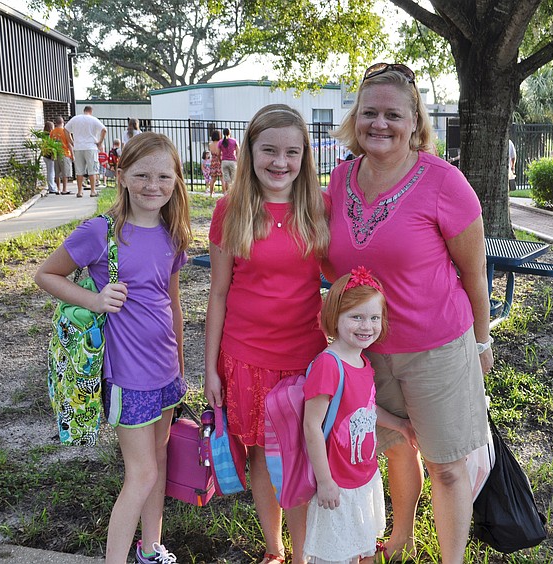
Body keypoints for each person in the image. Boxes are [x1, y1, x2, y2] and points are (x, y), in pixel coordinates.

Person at [326, 62, 492, 563]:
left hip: (436, 349)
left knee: (445, 465)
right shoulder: (338, 179)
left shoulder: (445, 182)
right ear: (356, 119)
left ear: (415, 121)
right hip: (366, 352)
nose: (380, 124)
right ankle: (400, 537)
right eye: (369, 112)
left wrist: (482, 342)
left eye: (393, 114)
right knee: (395, 448)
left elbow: (474, 272)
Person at [34, 132, 192, 564]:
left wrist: (180, 367)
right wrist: (94, 299)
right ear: (120, 176)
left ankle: (151, 548)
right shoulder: (101, 231)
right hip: (128, 377)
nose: (152, 185)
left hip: (165, 375)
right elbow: (47, 274)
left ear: (176, 180)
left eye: (163, 176)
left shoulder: (171, 233)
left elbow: (173, 302)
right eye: (141, 175)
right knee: (140, 475)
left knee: (156, 465)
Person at [204, 104, 330, 564]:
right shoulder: (229, 210)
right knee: (260, 455)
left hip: (304, 357)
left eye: (292, 152)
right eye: (269, 150)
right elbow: (218, 294)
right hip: (245, 356)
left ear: (305, 157)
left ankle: (302, 555)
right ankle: (274, 551)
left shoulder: (320, 208)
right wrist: (210, 370)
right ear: (250, 150)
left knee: (297, 455)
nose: (280, 162)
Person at [303, 267, 417, 564]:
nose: (366, 326)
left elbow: (365, 409)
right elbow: (312, 426)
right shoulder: (329, 364)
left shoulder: (363, 361)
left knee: (360, 547)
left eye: (374, 318)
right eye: (356, 317)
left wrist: (400, 425)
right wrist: (324, 481)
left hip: (363, 479)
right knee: (335, 554)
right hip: (336, 484)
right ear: (334, 318)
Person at [65, 105, 107, 198]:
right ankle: (93, 191)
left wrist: (71, 141)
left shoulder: (75, 119)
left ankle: (80, 192)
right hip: (91, 147)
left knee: (79, 171)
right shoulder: (93, 119)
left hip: (78, 147)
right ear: (91, 111)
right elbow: (104, 130)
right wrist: (100, 142)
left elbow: (66, 129)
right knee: (92, 170)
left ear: (83, 111)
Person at [50, 116, 73, 195]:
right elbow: (69, 144)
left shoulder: (52, 132)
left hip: (56, 154)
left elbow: (51, 144)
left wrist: (53, 155)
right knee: (65, 173)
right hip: (65, 153)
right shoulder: (65, 131)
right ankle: (64, 189)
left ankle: (58, 189)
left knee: (57, 173)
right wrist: (73, 155)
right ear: (63, 122)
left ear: (55, 123)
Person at [219, 127, 239, 194]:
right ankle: (233, 193)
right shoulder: (234, 141)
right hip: (232, 161)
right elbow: (238, 152)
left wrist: (220, 160)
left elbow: (218, 153)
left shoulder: (220, 142)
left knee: (227, 180)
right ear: (229, 133)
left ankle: (227, 193)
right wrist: (237, 160)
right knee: (234, 178)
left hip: (224, 161)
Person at [41, 121, 57, 194]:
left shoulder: (44, 135)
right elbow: (51, 146)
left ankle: (51, 186)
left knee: (50, 172)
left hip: (45, 156)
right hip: (49, 156)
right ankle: (51, 187)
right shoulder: (49, 136)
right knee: (51, 172)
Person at [208, 129, 224, 194]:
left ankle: (211, 193)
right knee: (222, 178)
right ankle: (224, 193)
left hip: (213, 161)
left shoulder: (210, 144)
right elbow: (220, 152)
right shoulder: (220, 143)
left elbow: (211, 151)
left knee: (213, 178)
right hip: (220, 160)